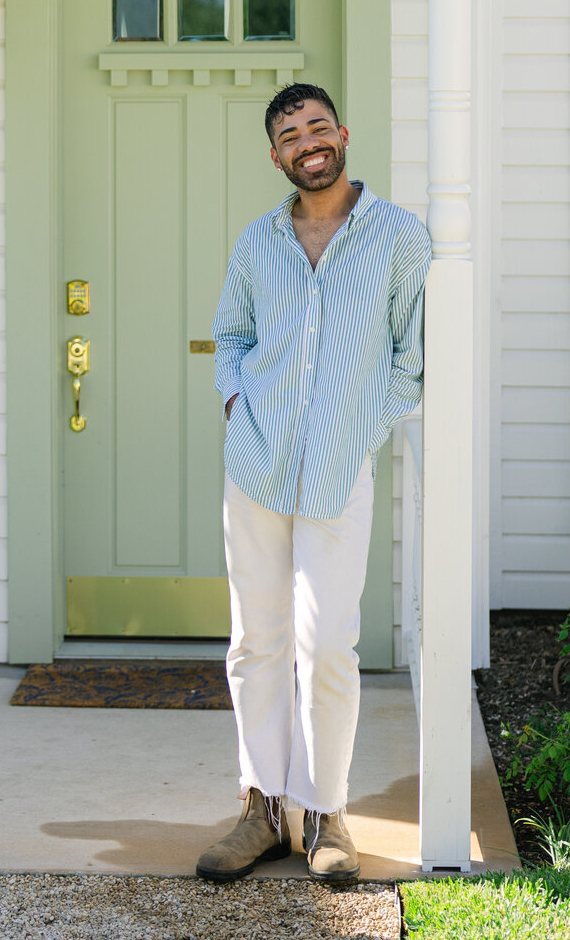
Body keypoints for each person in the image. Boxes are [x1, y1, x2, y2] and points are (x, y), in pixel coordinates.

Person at [196, 83, 431, 884]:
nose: (308, 142)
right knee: (255, 641)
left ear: (343, 134)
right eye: (291, 135)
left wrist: (360, 429)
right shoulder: (257, 242)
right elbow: (231, 335)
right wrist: (238, 406)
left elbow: (411, 358)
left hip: (339, 469)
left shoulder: (399, 237)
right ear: (277, 156)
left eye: (318, 126)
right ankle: (262, 809)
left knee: (328, 644)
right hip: (256, 466)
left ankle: (327, 812)